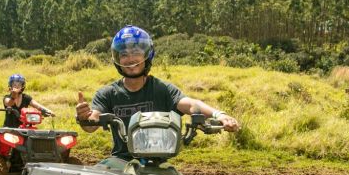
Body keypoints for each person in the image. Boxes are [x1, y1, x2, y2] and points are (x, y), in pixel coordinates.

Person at [75, 25, 239, 162]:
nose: (130, 59)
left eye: (136, 53)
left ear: (147, 55)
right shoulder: (108, 93)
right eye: (124, 54)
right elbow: (93, 122)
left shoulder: (162, 89)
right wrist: (84, 117)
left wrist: (219, 115)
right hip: (120, 161)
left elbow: (190, 104)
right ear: (117, 59)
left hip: (158, 162)